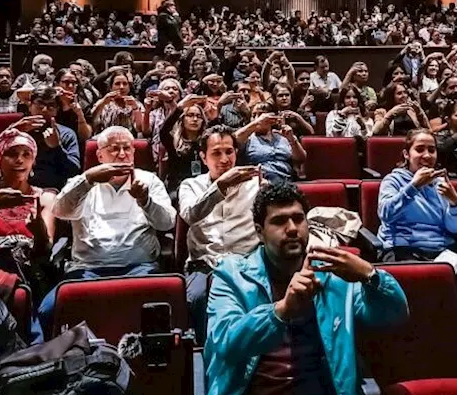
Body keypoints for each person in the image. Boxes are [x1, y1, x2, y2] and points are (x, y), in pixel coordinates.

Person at [201, 182, 415, 395]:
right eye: (279, 221)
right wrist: (281, 311)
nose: (292, 229)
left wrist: (370, 275)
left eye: (298, 219)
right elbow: (225, 342)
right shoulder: (232, 274)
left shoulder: (333, 275)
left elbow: (392, 316)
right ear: (259, 231)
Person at [53, 126, 175, 281]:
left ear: (134, 153)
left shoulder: (149, 180)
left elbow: (167, 224)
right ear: (99, 155)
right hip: (88, 269)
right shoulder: (82, 182)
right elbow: (59, 211)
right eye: (114, 149)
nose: (122, 154)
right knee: (50, 306)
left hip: (140, 268)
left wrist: (145, 201)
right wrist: (88, 180)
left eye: (127, 148)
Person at [177, 126, 262, 337]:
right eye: (216, 153)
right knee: (197, 299)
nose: (224, 159)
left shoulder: (256, 184)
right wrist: (220, 188)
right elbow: (190, 215)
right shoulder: (190, 185)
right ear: (203, 158)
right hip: (204, 265)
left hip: (248, 262)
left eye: (229, 152)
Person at [376, 129, 457, 261]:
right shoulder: (393, 180)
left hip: (440, 250)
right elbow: (387, 215)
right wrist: (414, 187)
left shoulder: (440, 183)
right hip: (403, 249)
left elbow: (455, 229)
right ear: (406, 154)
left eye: (431, 150)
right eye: (419, 149)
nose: (427, 156)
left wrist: (455, 203)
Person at [12, 86, 82, 192]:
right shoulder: (18, 129)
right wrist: (11, 132)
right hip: (16, 187)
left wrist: (56, 147)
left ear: (57, 110)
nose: (44, 110)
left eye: (51, 106)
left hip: (52, 189)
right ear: (30, 106)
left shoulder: (66, 134)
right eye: (40, 104)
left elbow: (73, 171)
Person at [236, 106, 305, 185]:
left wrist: (292, 139)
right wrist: (255, 123)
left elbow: (301, 158)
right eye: (254, 115)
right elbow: (234, 139)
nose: (257, 118)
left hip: (287, 179)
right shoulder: (247, 138)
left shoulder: (283, 136)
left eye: (261, 115)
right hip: (260, 181)